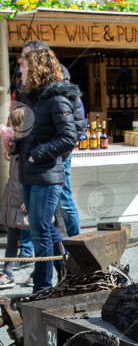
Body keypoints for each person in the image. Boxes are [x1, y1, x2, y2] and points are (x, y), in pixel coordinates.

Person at [10, 47, 79, 292]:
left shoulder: (57, 98)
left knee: (40, 231)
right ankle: (65, 277)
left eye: (23, 64)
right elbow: (30, 134)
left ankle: (41, 288)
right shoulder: (32, 97)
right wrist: (15, 145)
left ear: (36, 67)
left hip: (47, 174)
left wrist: (35, 155)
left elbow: (69, 137)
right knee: (44, 229)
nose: (19, 69)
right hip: (30, 174)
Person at [17, 40, 83, 238]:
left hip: (55, 156)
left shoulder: (61, 86)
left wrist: (51, 156)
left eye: (26, 57)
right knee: (37, 215)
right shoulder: (29, 87)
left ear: (39, 59)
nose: (21, 61)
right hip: (36, 157)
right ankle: (46, 253)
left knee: (63, 203)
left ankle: (77, 247)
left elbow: (75, 128)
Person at [0, 108, 30, 288]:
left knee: (38, 237)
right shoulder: (16, 146)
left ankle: (38, 272)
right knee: (11, 236)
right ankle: (7, 272)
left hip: (25, 199)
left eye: (13, 124)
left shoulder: (29, 148)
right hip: (13, 198)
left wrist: (29, 200)